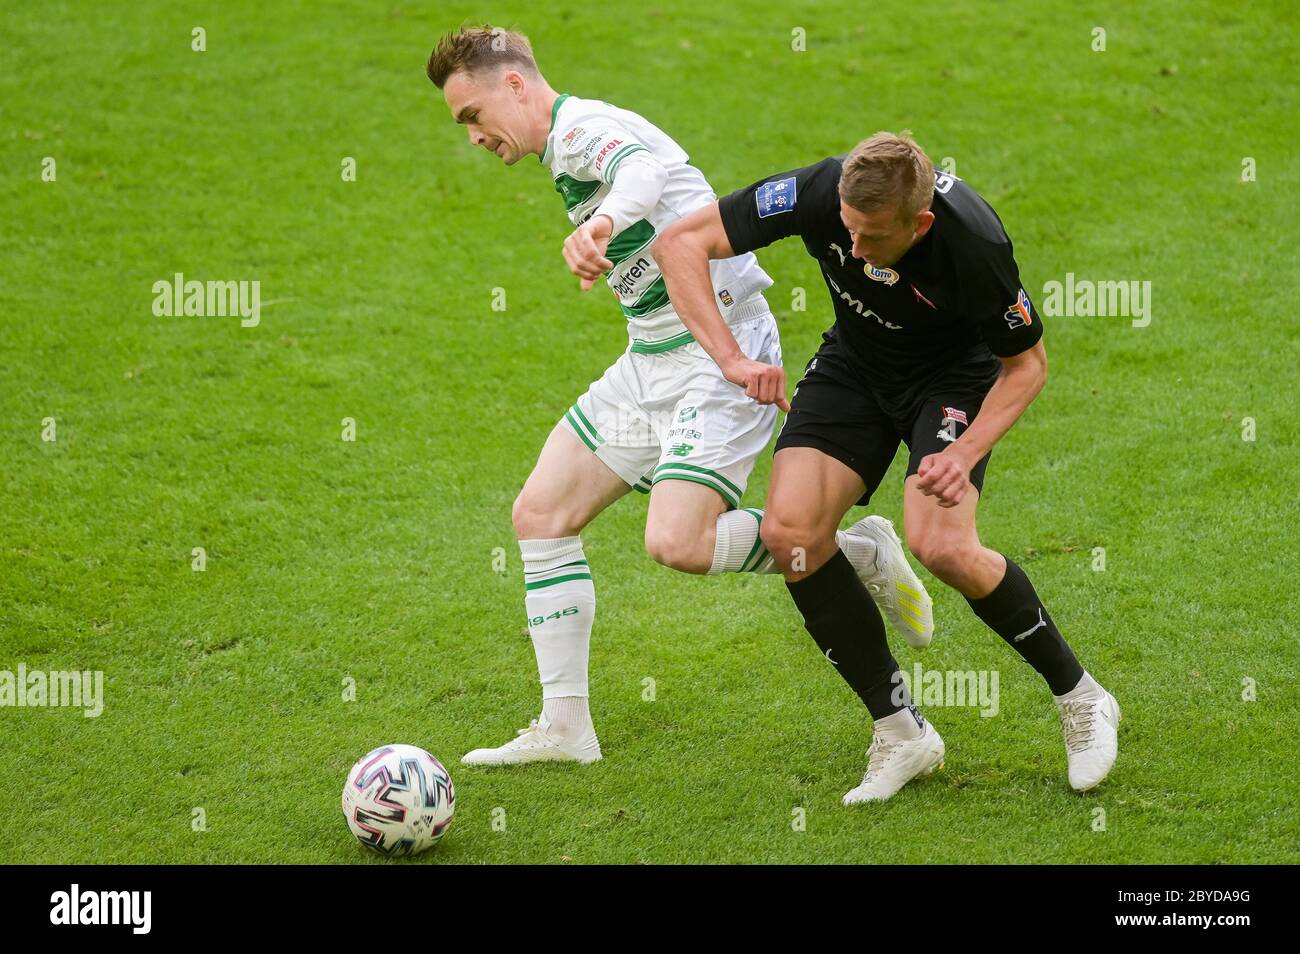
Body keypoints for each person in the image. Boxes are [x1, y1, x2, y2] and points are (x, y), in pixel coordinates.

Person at [426, 32, 934, 767]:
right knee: (540, 514)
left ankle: (851, 553)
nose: (474, 136)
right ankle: (565, 726)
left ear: (513, 85)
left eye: (473, 113)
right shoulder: (564, 143)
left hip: (717, 357)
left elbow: (640, 175)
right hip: (653, 356)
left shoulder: (586, 132)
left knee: (677, 543)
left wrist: (601, 223)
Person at [652, 132, 1120, 802]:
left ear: (918, 222)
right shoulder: (822, 192)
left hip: (952, 381)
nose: (857, 252)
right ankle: (901, 731)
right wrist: (730, 358)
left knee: (943, 546)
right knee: (792, 536)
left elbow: (1027, 366)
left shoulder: (974, 246)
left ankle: (1082, 698)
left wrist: (962, 453)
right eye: (848, 232)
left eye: (874, 238)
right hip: (856, 367)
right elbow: (680, 243)